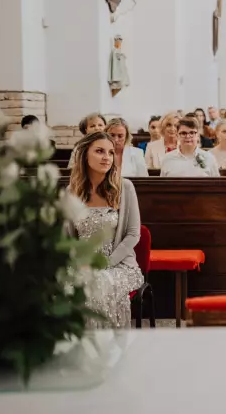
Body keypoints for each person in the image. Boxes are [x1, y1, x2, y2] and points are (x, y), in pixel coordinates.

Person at [66, 132, 143, 328]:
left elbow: (133, 234)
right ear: (85, 155)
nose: (107, 157)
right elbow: (67, 237)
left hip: (117, 264)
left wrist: (105, 263)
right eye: (100, 151)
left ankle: (107, 350)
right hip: (81, 263)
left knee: (98, 285)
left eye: (110, 152)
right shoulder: (71, 191)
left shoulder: (125, 187)